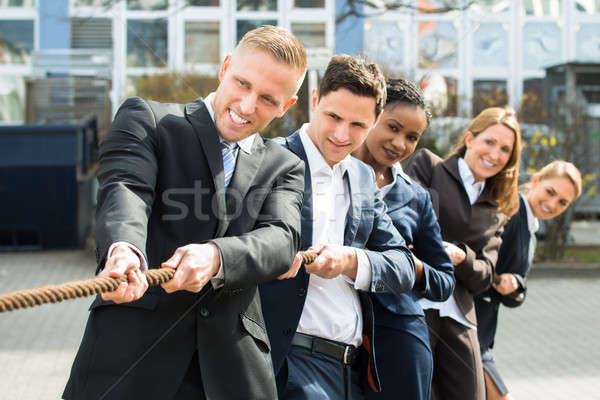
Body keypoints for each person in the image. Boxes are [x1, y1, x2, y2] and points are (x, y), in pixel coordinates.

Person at [63, 25, 308, 400]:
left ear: (287, 106)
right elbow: (126, 188)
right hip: (130, 363)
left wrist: (216, 257)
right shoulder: (149, 120)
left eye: (267, 100)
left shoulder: (285, 166)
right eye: (242, 83)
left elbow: (281, 240)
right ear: (225, 68)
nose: (246, 106)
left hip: (232, 375)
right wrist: (124, 248)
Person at [260, 55, 417, 400]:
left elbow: (403, 266)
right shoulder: (269, 159)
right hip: (290, 363)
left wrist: (349, 262)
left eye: (359, 125)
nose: (342, 135)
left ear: (375, 121)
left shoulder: (362, 177)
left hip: (354, 371)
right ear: (314, 101)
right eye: (333, 117)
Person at [405, 106, 522, 400]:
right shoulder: (428, 166)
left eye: (505, 149)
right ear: (470, 138)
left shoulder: (497, 209)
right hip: (417, 301)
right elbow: (408, 223)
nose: (495, 154)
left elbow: (484, 276)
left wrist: (462, 257)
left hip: (460, 314)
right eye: (489, 142)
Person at [352, 78, 455, 400]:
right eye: (393, 127)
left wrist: (409, 264)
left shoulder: (416, 197)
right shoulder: (330, 169)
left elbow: (444, 280)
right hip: (324, 333)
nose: (399, 143)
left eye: (412, 137)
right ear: (372, 115)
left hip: (398, 342)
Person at [475, 160, 582, 400]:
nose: (552, 204)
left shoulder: (531, 228)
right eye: (550, 192)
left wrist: (514, 285)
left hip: (482, 332)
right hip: (468, 326)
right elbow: (478, 257)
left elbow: (514, 292)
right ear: (535, 182)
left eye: (562, 202)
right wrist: (500, 279)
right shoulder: (509, 212)